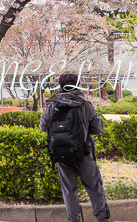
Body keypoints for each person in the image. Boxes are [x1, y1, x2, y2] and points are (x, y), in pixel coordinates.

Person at [40, 73, 110, 222]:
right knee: (94, 186)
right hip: (84, 153)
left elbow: (43, 126)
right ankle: (102, 218)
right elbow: (98, 128)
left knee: (69, 190)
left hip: (62, 153)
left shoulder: (53, 106)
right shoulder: (85, 106)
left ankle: (74, 219)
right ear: (78, 85)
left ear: (61, 87)